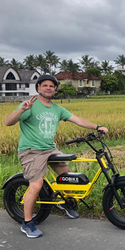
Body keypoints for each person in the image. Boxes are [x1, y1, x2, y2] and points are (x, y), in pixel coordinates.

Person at [4, 75, 109, 238]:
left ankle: (67, 203)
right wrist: (22, 109)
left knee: (66, 175)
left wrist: (98, 126)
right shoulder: (29, 105)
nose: (48, 88)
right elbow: (8, 122)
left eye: (51, 86)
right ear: (38, 88)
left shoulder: (57, 109)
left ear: (54, 89)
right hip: (31, 150)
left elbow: (77, 119)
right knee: (36, 185)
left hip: (50, 149)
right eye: (45, 85)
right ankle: (27, 223)